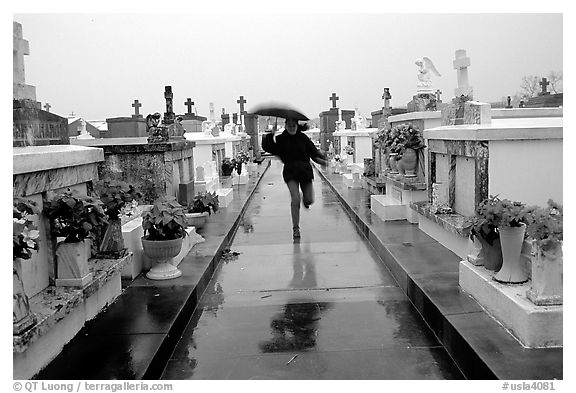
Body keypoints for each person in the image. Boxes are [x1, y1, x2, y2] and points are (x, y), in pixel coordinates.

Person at [261, 118, 327, 239]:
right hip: (290, 172)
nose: (291, 127)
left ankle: (305, 200)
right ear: (286, 126)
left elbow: (313, 153)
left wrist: (324, 161)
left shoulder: (303, 138)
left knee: (309, 200)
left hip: (305, 171)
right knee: (295, 199)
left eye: (293, 125)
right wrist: (271, 134)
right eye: (289, 125)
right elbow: (269, 148)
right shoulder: (281, 139)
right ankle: (295, 228)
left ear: (297, 126)